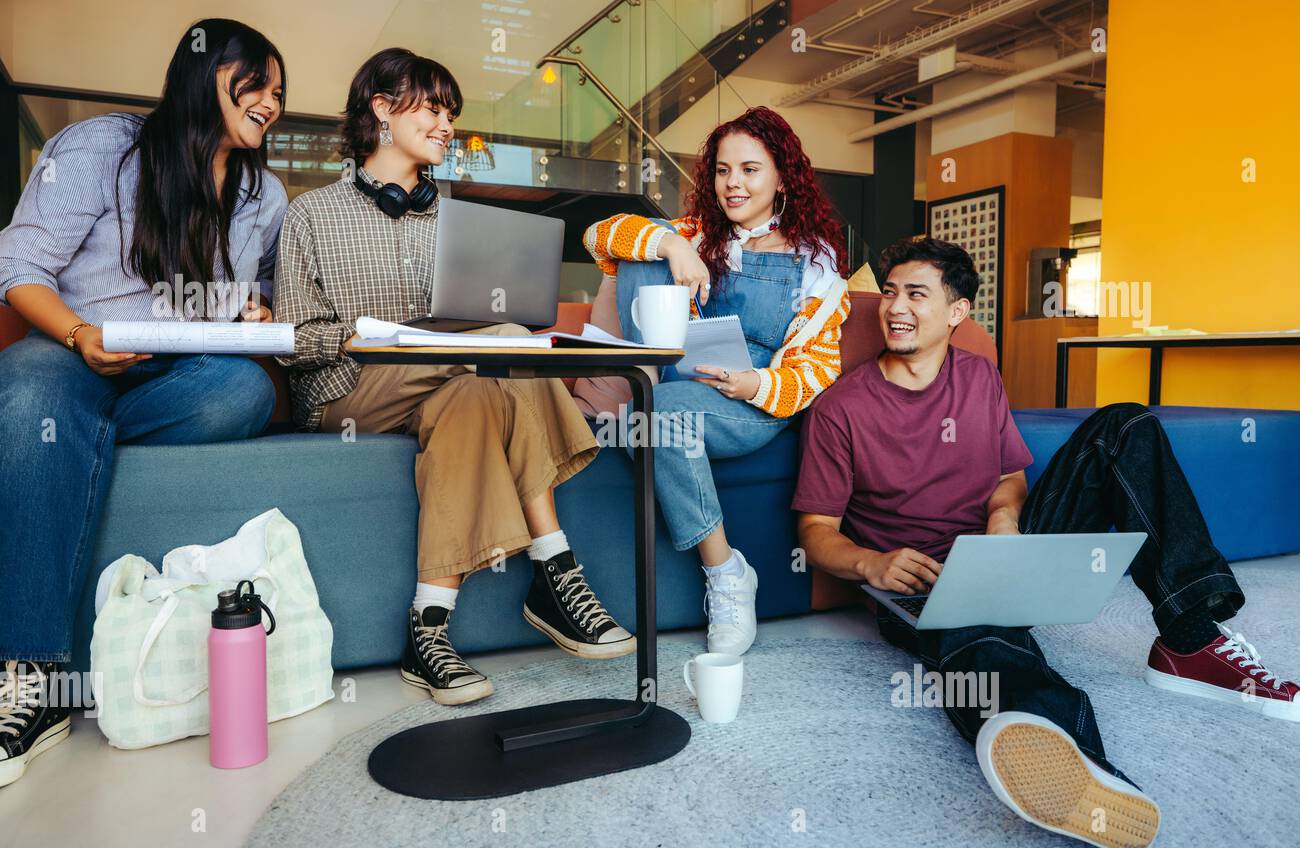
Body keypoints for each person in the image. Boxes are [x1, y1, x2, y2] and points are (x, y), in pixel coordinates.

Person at [794, 236, 1298, 848]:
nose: (895, 306)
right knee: (989, 649)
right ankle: (1078, 768)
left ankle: (1190, 639)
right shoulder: (842, 408)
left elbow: (1009, 477)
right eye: (890, 291)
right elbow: (816, 532)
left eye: (916, 294)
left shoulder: (978, 375)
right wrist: (873, 562)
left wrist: (1005, 515)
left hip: (1010, 549)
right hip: (928, 580)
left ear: (956, 313)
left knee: (1126, 424)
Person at [274, 49, 632, 707]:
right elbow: (293, 342)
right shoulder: (311, 216)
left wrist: (454, 337)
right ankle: (554, 566)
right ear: (381, 110)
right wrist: (363, 335)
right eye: (432, 108)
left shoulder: (455, 216)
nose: (446, 124)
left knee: (472, 395)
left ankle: (427, 628)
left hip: (446, 382)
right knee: (503, 342)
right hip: (347, 391)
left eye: (451, 113)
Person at [0, 19, 288, 788]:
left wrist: (253, 316)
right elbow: (20, 266)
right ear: (205, 76)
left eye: (279, 93)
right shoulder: (100, 150)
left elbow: (247, 295)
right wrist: (79, 334)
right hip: (73, 354)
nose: (271, 103)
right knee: (29, 387)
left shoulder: (267, 191)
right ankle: (32, 674)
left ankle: (68, 444)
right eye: (256, 83)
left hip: (181, 371)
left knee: (245, 389)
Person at [579, 106, 851, 656]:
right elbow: (597, 236)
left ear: (782, 176)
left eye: (750, 170)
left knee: (658, 413)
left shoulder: (814, 265)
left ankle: (725, 577)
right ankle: (728, 566)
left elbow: (815, 370)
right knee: (644, 244)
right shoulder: (697, 235)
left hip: (748, 400)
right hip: (674, 375)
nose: (733, 184)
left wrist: (753, 385)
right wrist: (674, 247)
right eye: (723, 170)